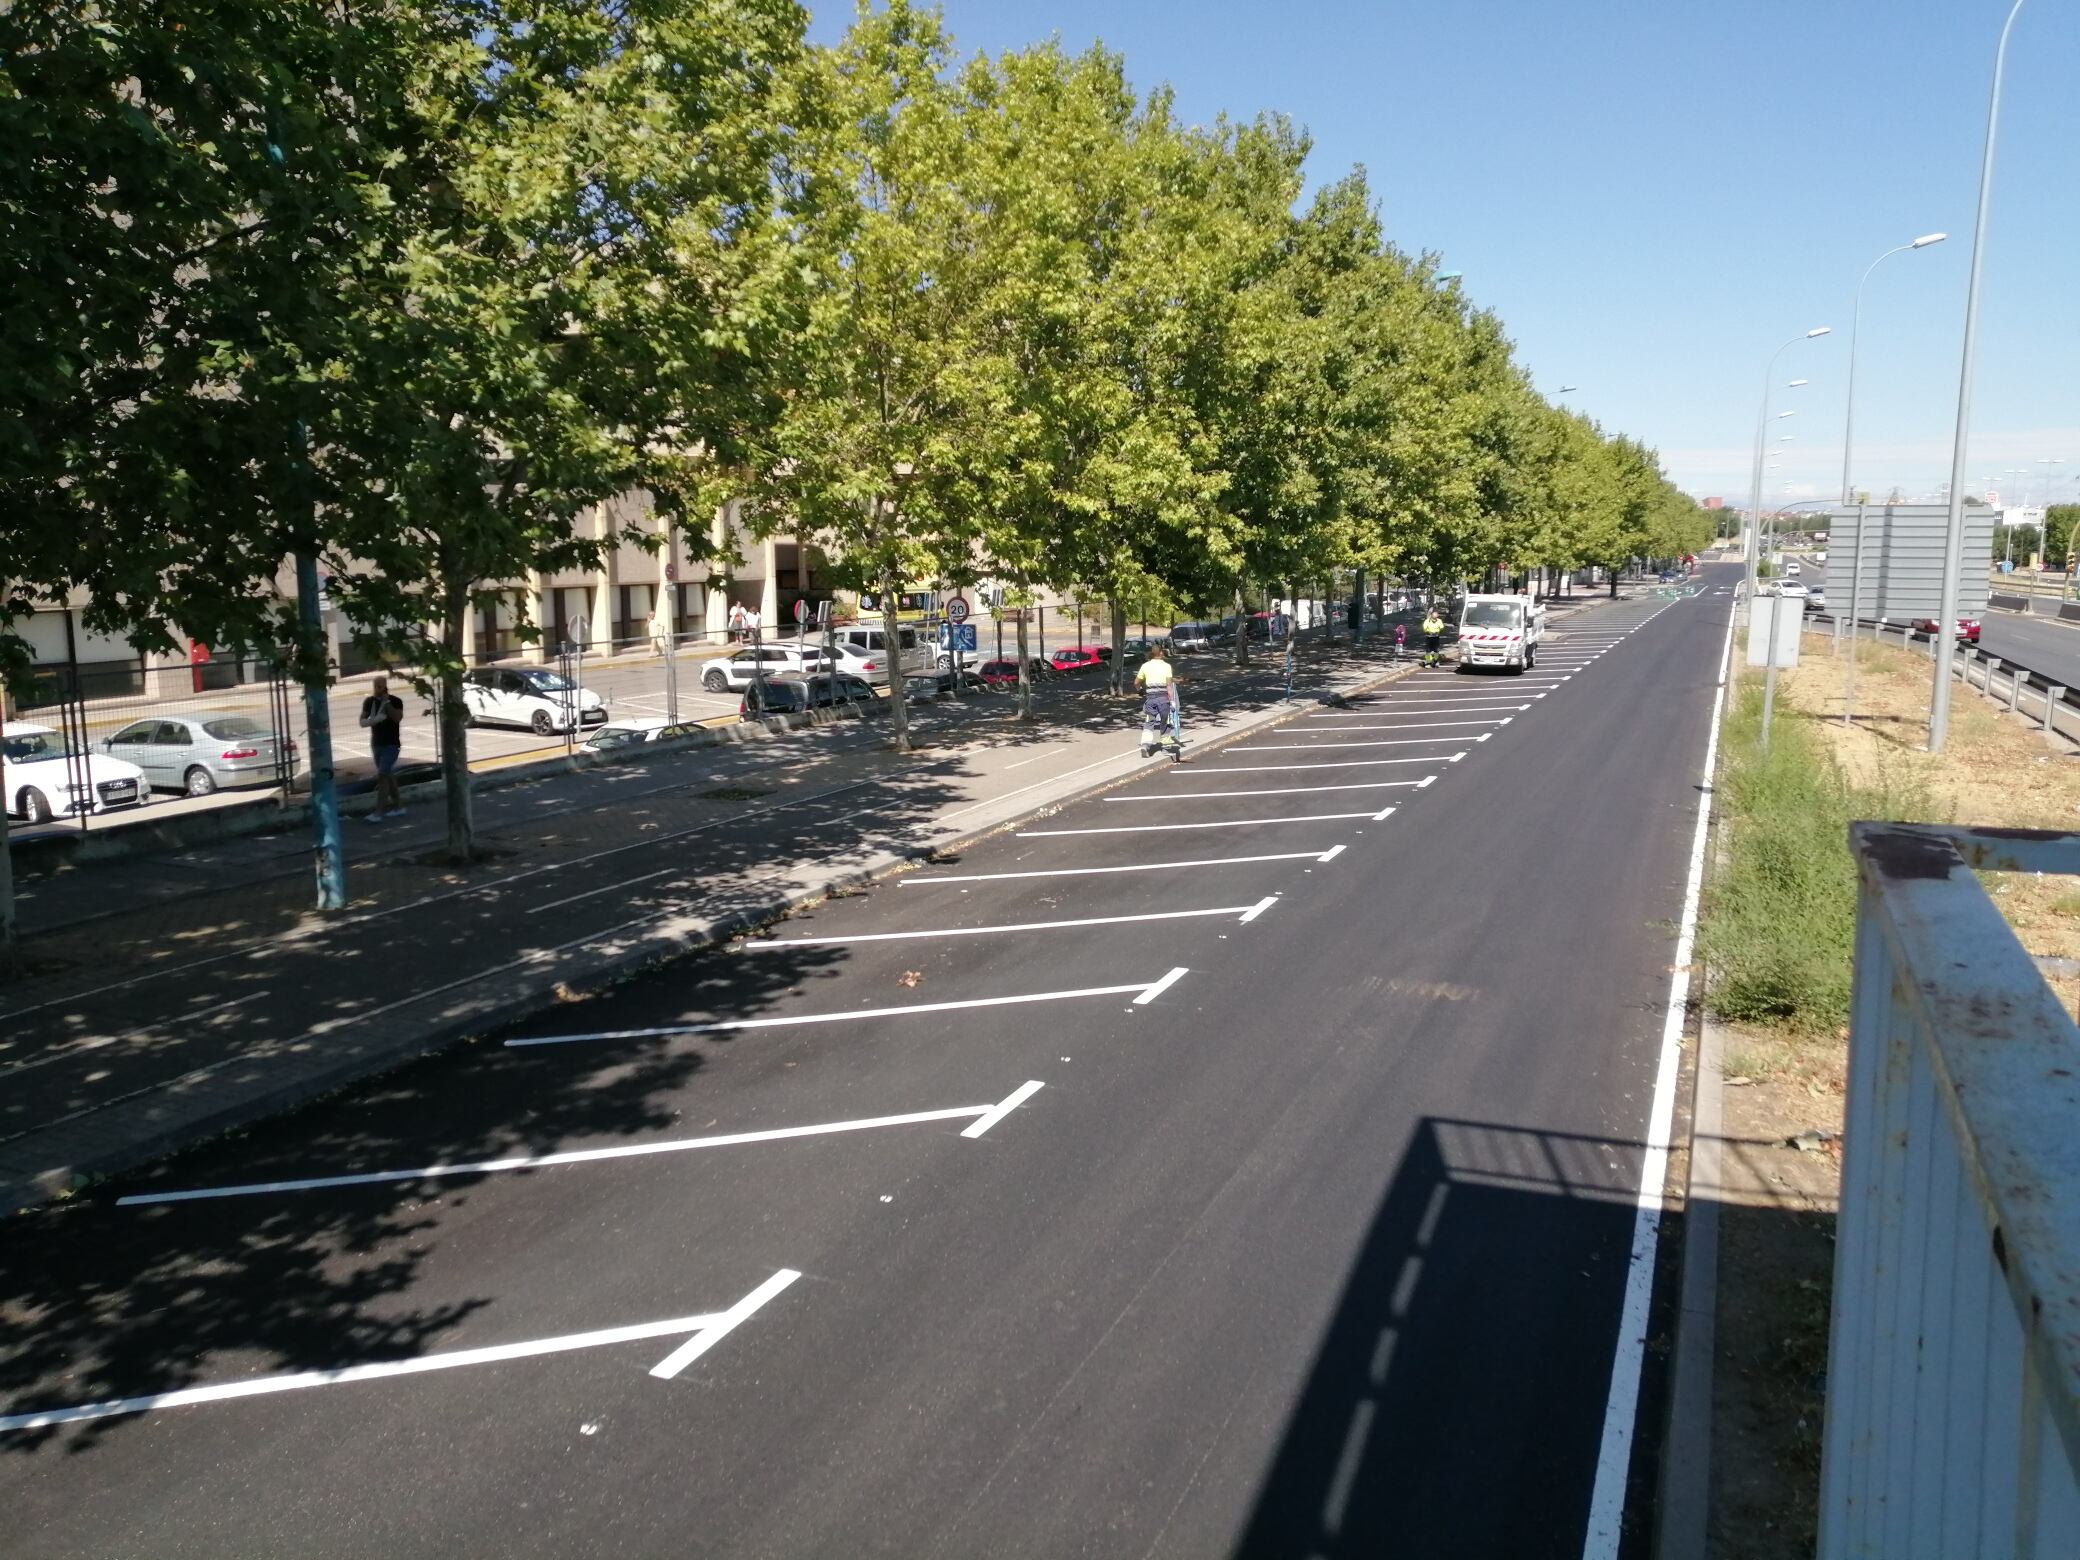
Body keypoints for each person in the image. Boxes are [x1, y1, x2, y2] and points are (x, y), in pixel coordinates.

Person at [359, 675, 405, 820]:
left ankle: (379, 812)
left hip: (391, 744)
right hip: (377, 743)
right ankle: (398, 806)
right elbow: (362, 720)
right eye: (376, 686)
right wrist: (372, 719)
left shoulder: (395, 701)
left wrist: (386, 703)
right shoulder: (369, 702)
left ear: (385, 686)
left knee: (382, 775)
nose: (378, 689)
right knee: (389, 776)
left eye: (380, 686)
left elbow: (397, 717)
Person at [1134, 644, 1183, 760]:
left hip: (1150, 699)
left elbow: (1136, 682)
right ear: (1161, 653)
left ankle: (1145, 746)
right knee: (1165, 724)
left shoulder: (1145, 666)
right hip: (1163, 699)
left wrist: (1140, 691)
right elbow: (1169, 686)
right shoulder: (1166, 666)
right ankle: (1166, 748)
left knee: (1149, 723)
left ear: (1152, 653)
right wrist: (1172, 702)